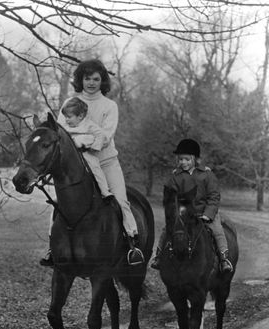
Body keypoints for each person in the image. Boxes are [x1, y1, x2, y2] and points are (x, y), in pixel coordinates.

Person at [40, 59, 144, 267]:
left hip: (106, 162)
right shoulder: (70, 103)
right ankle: (53, 247)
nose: (91, 83)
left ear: (102, 81)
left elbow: (105, 136)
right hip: (77, 166)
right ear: (81, 79)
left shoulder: (109, 106)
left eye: (96, 79)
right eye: (87, 78)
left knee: (121, 201)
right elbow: (59, 133)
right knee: (58, 205)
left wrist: (81, 142)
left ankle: (132, 245)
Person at [150, 138, 233, 273]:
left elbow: (214, 196)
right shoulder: (175, 177)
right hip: (184, 214)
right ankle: (158, 257)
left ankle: (224, 260)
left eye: (187, 159)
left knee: (217, 230)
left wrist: (208, 214)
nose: (183, 162)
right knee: (166, 230)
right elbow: (173, 198)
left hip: (204, 213)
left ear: (194, 158)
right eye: (181, 159)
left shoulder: (207, 175)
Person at [59, 97, 113, 199]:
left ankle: (105, 191)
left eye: (69, 117)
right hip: (70, 155)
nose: (66, 120)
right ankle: (61, 195)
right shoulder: (65, 126)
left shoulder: (89, 125)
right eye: (65, 117)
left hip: (84, 153)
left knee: (95, 168)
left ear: (80, 116)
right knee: (62, 172)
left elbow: (101, 135)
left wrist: (95, 147)